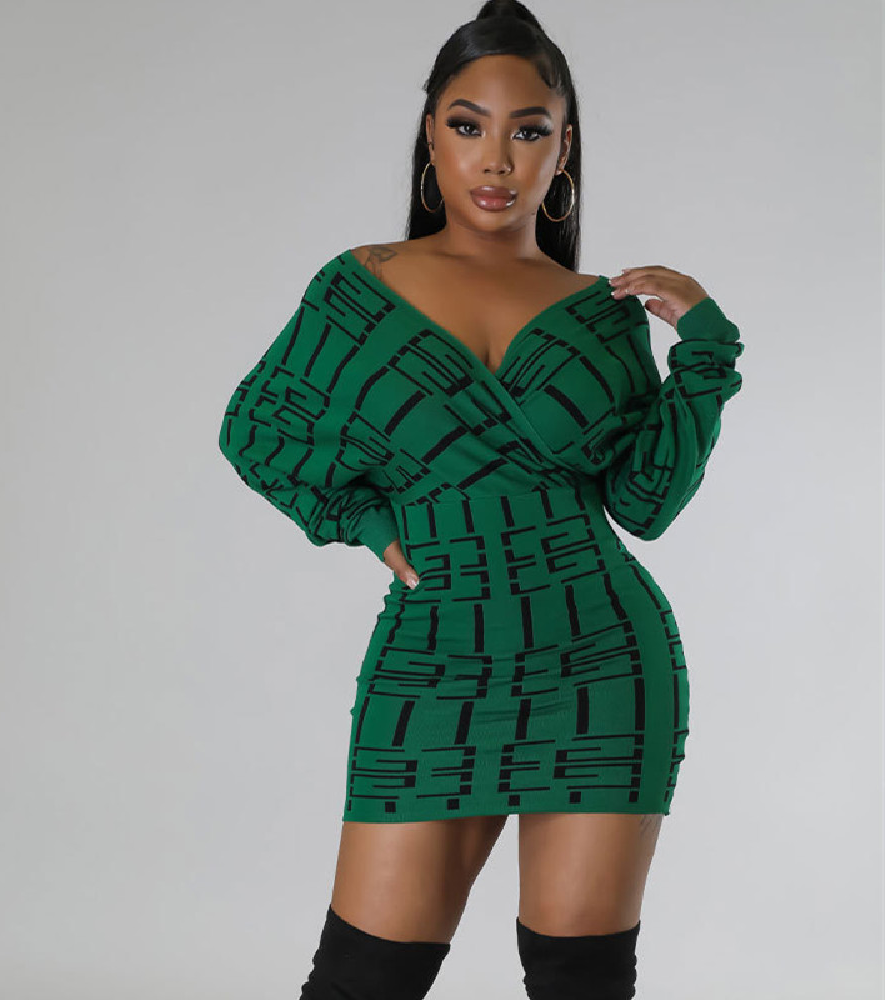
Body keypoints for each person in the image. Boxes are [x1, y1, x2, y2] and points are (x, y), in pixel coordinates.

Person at [217, 1, 745, 996]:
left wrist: (706, 353)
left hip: (600, 659)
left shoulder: (601, 315)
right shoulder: (357, 290)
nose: (497, 159)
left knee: (579, 981)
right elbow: (258, 434)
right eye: (469, 125)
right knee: (361, 980)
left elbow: (645, 502)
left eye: (528, 131)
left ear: (563, 149)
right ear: (431, 134)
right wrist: (367, 523)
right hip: (434, 657)